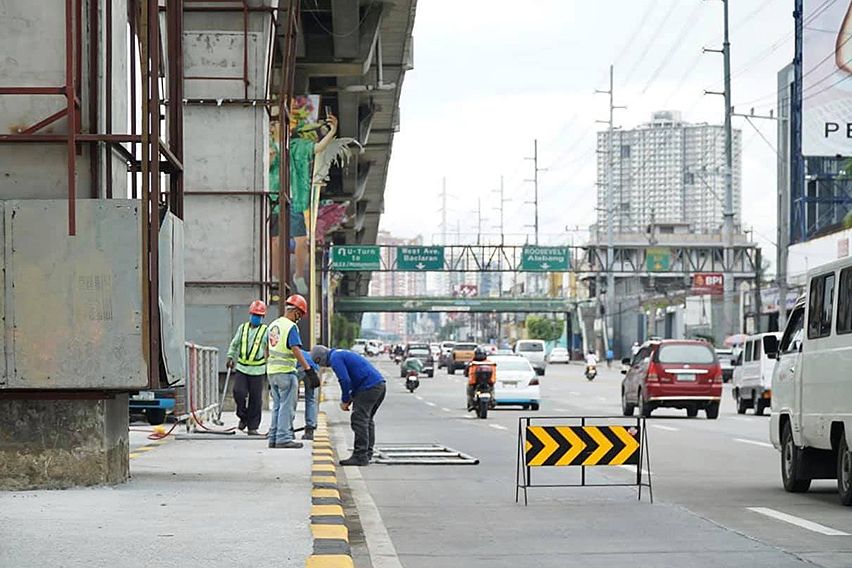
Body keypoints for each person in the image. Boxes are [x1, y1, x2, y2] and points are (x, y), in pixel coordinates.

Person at [310, 344, 386, 466]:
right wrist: (351, 397)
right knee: (367, 420)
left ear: (321, 358)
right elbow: (355, 377)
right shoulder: (340, 353)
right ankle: (367, 453)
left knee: (359, 420)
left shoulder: (335, 358)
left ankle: (360, 455)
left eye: (319, 362)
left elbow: (344, 380)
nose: (321, 366)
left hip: (369, 387)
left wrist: (345, 399)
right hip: (379, 385)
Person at [266, 294, 319, 449]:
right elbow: (296, 349)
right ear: (295, 311)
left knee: (277, 406)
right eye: (300, 315)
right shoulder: (291, 327)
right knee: (286, 407)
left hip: (272, 372)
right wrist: (309, 370)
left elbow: (266, 348)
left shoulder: (273, 325)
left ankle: (274, 437)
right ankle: (283, 438)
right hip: (286, 373)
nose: (299, 319)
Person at [226, 300, 269, 436]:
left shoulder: (266, 331)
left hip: (258, 370)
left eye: (259, 315)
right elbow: (234, 344)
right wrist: (230, 357)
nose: (256, 317)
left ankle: (252, 426)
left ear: (262, 317)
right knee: (238, 393)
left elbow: (271, 349)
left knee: (256, 399)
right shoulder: (242, 328)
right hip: (242, 368)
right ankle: (243, 416)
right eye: (254, 314)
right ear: (250, 314)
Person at [296, 351, 320, 440]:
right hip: (313, 369)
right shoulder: (308, 354)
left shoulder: (292, 351)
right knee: (310, 398)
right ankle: (310, 429)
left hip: (298, 367)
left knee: (291, 399)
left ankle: (288, 429)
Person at [466, 347, 496, 411]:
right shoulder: (490, 362)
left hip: (480, 383)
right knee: (491, 388)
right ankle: (492, 399)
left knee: (470, 389)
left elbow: (466, 372)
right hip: (481, 383)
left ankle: (471, 403)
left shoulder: (472, 363)